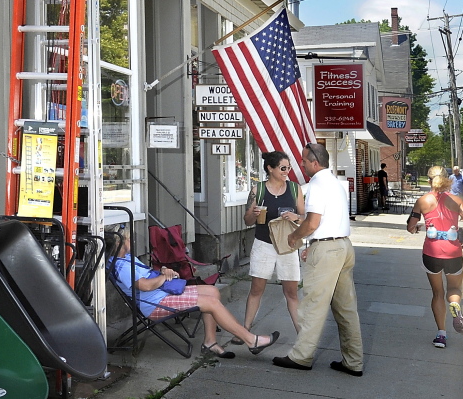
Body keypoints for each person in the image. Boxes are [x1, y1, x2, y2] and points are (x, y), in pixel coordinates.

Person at [108, 229, 279, 358]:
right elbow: (144, 286)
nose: (132, 240)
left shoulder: (126, 259)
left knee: (212, 291)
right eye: (129, 239)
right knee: (211, 303)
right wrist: (162, 277)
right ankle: (251, 340)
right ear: (120, 244)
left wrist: (164, 270)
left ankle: (210, 343)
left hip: (161, 293)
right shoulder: (121, 266)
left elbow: (147, 275)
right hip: (155, 304)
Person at [272, 143, 364, 376]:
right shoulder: (334, 182)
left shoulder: (316, 184)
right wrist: (312, 243)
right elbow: (325, 221)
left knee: (313, 305)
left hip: (327, 249)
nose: (301, 164)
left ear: (315, 162)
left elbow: (313, 222)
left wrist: (295, 236)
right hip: (343, 246)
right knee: (346, 309)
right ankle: (353, 361)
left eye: (303, 160)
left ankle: (301, 356)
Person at [235, 151, 305, 341]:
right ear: (270, 169)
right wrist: (254, 214)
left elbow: (305, 217)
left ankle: (303, 336)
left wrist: (296, 217)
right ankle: (245, 330)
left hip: (288, 246)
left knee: (291, 292)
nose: (287, 171)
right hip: (263, 244)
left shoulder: (294, 189)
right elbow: (247, 221)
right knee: (256, 289)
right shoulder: (258, 190)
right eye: (283, 168)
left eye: (289, 167)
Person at [406, 166, 463, 349]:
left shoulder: (422, 200)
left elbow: (410, 226)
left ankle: (441, 335)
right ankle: (455, 305)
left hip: (432, 252)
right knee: (453, 288)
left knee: (437, 293)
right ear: (448, 180)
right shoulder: (456, 200)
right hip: (453, 251)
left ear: (429, 180)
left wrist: (418, 227)